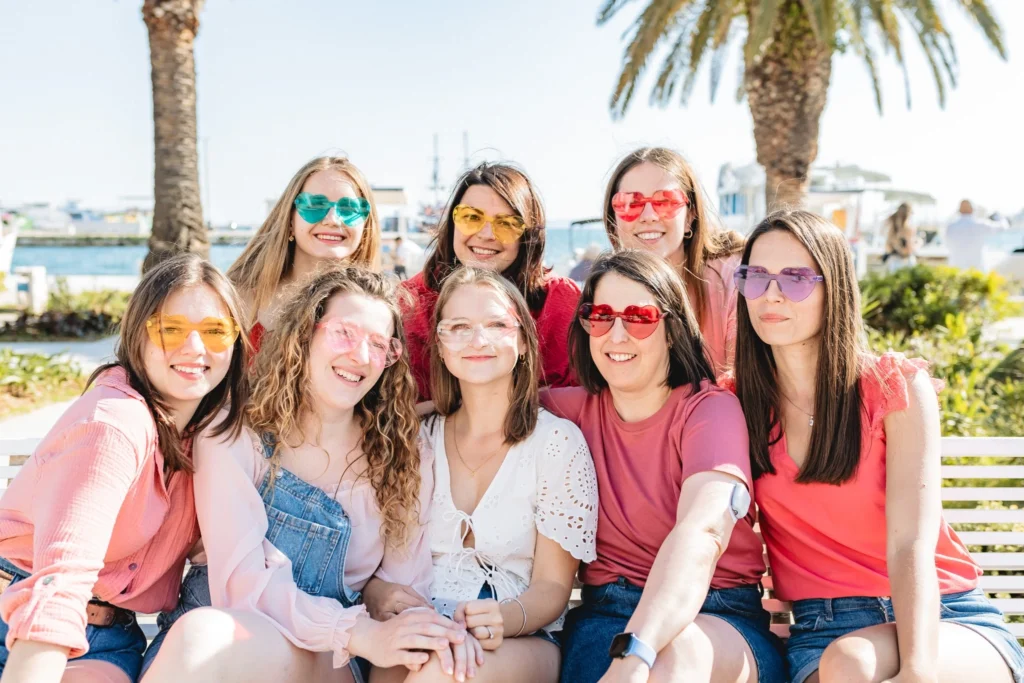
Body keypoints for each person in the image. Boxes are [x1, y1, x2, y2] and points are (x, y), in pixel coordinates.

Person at [731, 209, 1024, 683]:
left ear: (836, 288)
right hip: (824, 633)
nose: (772, 294)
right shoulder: (734, 404)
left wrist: (918, 669)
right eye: (756, 276)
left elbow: (912, 541)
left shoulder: (895, 387)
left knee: (855, 663)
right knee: (849, 662)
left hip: (943, 617)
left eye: (797, 278)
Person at [139, 266, 465, 683]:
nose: (361, 356)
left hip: (328, 662)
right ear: (305, 333)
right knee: (202, 634)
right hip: (221, 645)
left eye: (379, 344)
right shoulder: (234, 433)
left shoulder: (403, 452)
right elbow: (243, 585)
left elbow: (403, 589)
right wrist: (357, 630)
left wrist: (403, 622)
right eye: (344, 332)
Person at [0, 254, 249, 683]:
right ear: (138, 334)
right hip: (24, 612)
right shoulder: (113, 424)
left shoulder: (210, 437)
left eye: (214, 331)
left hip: (112, 634)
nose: (195, 347)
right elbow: (60, 579)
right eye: (171, 328)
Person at [544, 249, 786, 683]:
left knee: (674, 660)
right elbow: (474, 414)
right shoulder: (568, 411)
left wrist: (638, 651)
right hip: (606, 613)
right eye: (600, 316)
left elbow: (703, 530)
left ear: (672, 330)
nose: (616, 335)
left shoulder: (709, 410)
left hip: (717, 614)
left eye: (639, 317)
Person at [369, 267, 599, 683]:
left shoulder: (556, 442)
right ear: (439, 345)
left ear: (524, 341)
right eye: (458, 327)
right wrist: (378, 593)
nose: (478, 340)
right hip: (420, 627)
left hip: (517, 636)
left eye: (496, 324)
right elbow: (373, 560)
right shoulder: (418, 438)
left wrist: (501, 619)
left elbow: (552, 588)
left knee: (445, 673)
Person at [403, 162, 580, 401]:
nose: (486, 234)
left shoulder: (560, 304)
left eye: (506, 224)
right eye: (471, 217)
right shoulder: (409, 305)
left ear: (527, 235)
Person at [603, 147, 745, 375]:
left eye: (665, 202)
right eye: (630, 203)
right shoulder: (604, 293)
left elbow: (743, 378)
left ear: (690, 216)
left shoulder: (732, 279)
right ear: (614, 222)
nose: (648, 216)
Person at [227, 156, 382, 351]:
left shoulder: (379, 313)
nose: (333, 220)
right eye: (315, 206)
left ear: (365, 225)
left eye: (348, 209)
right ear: (290, 220)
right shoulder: (236, 300)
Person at [945, 199, 1007, 272]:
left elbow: (947, 244)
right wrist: (1000, 217)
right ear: (972, 210)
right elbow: (1003, 227)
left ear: (959, 210)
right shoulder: (980, 225)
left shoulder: (950, 227)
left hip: (956, 270)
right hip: (977, 270)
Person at [882, 203, 918, 273]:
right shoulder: (909, 229)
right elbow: (908, 250)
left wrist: (897, 246)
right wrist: (918, 243)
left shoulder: (891, 230)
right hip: (907, 262)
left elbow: (888, 248)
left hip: (893, 262)